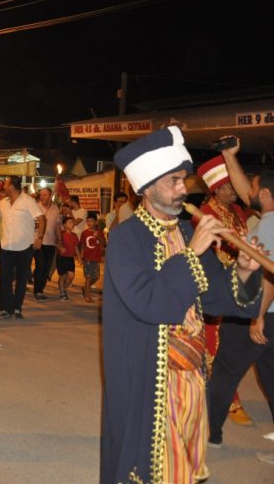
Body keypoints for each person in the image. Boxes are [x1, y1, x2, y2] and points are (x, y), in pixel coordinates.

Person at [100, 126, 263, 484]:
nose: (182, 190)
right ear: (145, 188)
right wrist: (192, 255)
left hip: (189, 376)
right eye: (173, 181)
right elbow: (148, 302)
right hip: (148, 375)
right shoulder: (127, 239)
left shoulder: (186, 232)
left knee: (183, 468)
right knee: (145, 465)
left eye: (183, 181)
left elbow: (216, 297)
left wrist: (245, 269)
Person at [207, 157, 274, 449]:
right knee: (271, 380)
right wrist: (232, 157)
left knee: (224, 374)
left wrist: (255, 316)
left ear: (266, 194)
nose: (247, 192)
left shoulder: (269, 226)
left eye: (254, 188)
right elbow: (248, 188)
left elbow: (269, 275)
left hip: (256, 312)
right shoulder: (264, 219)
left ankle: (210, 434)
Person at [194, 154, 254, 426]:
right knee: (213, 346)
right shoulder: (203, 216)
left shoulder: (239, 212)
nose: (234, 191)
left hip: (237, 283)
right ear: (216, 189)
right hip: (214, 286)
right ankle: (228, 400)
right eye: (229, 186)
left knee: (231, 344)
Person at [0, 176, 46, 320]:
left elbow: (42, 219)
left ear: (11, 186)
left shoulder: (27, 201)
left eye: (5, 183)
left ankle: (17, 308)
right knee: (5, 279)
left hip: (24, 248)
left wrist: (40, 238)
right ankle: (7, 308)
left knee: (21, 279)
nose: (4, 185)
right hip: (6, 247)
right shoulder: (3, 203)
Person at [33, 187, 61, 301]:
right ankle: (38, 291)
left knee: (46, 269)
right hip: (38, 242)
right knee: (40, 266)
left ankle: (40, 288)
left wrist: (60, 241)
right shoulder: (35, 207)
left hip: (51, 243)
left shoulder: (55, 209)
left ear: (50, 196)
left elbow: (57, 226)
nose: (42, 197)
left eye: (45, 195)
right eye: (41, 195)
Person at [79, 214, 105, 302]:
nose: (89, 223)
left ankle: (85, 288)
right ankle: (87, 296)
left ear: (96, 222)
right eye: (88, 221)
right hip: (87, 258)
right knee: (88, 277)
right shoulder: (84, 233)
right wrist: (81, 256)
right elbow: (82, 244)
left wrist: (98, 236)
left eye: (91, 221)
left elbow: (104, 243)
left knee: (96, 276)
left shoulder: (99, 232)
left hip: (96, 257)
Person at [57, 216, 80, 301]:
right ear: (64, 225)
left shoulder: (74, 235)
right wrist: (60, 248)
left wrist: (79, 257)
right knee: (62, 276)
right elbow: (57, 243)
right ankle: (62, 293)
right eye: (69, 222)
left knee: (71, 276)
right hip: (62, 257)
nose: (72, 224)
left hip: (70, 258)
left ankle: (63, 287)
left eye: (72, 222)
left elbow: (76, 247)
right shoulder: (61, 234)